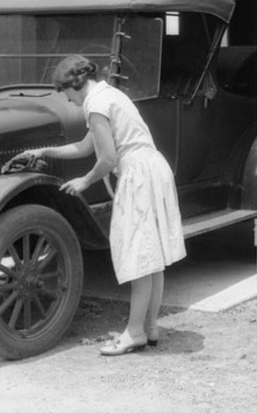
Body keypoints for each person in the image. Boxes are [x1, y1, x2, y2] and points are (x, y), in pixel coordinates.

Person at [9, 54, 186, 356]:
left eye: (67, 94)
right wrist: (43, 151)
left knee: (139, 259)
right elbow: (84, 147)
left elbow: (107, 158)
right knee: (151, 258)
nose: (69, 101)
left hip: (139, 175)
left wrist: (85, 181)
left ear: (74, 85)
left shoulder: (95, 105)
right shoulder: (109, 95)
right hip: (153, 168)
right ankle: (149, 327)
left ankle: (134, 333)